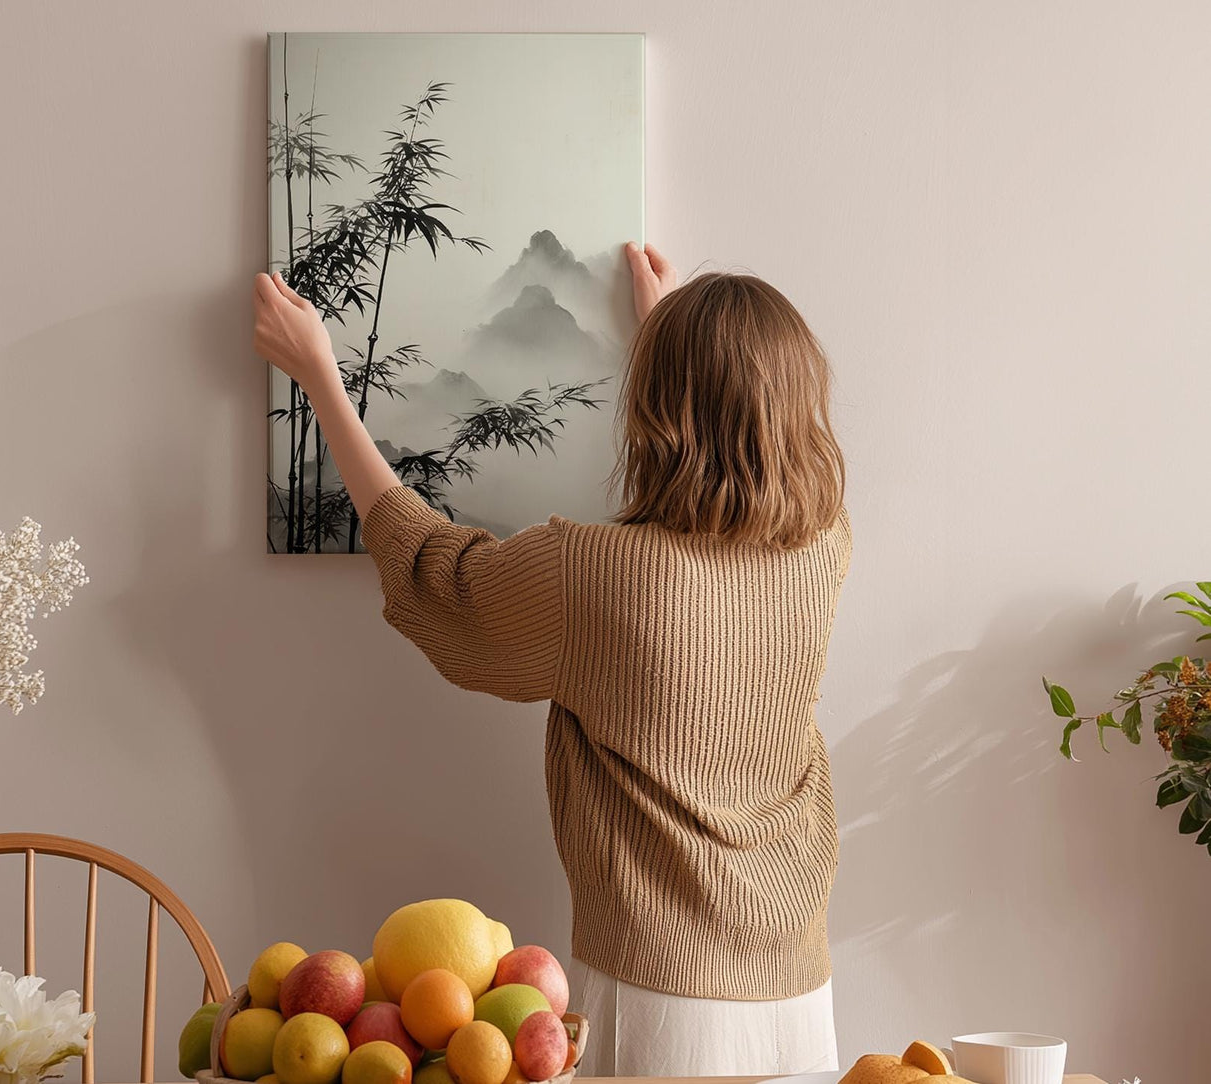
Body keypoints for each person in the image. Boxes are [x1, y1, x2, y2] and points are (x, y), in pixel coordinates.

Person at [252, 242, 851, 1077]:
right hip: (799, 992)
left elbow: (435, 573)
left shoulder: (592, 574)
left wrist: (321, 378)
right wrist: (672, 337)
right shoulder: (824, 548)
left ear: (656, 408)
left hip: (658, 999)